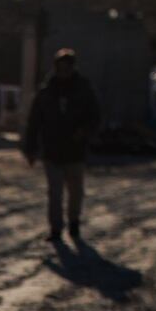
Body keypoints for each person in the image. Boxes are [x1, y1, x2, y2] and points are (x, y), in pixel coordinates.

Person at [22, 48, 102, 243]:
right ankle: (56, 228)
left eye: (66, 68)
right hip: (52, 150)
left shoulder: (83, 90)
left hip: (75, 150)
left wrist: (84, 132)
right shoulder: (46, 93)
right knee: (55, 193)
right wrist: (30, 148)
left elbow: (95, 117)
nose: (63, 71)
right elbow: (34, 122)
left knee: (75, 192)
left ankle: (73, 222)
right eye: (60, 68)